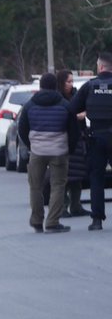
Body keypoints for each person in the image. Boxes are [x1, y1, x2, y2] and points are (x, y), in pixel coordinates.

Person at [17, 72, 78, 233]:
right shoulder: (65, 105)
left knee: (35, 186)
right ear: (55, 86)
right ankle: (52, 221)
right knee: (58, 186)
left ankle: (36, 220)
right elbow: (74, 130)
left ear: (41, 86)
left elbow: (22, 129)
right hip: (59, 151)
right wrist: (69, 149)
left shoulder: (30, 105)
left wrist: (31, 145)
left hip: (37, 151)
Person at [69, 51, 112, 231]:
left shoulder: (89, 86)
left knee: (96, 178)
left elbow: (71, 109)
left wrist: (80, 128)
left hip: (96, 136)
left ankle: (96, 220)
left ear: (100, 67)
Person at [56, 69, 90, 218]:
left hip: (78, 138)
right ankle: (63, 206)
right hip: (63, 140)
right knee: (64, 176)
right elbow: (61, 117)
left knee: (77, 175)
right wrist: (77, 117)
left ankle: (76, 205)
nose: (71, 84)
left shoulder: (77, 95)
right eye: (68, 81)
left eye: (72, 81)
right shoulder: (58, 98)